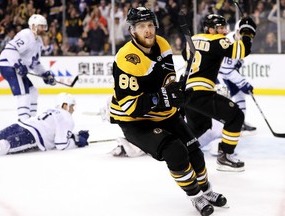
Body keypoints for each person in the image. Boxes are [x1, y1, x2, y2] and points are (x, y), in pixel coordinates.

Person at [109, 7, 227, 216]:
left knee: (195, 151)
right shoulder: (127, 59)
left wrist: (177, 97)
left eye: (150, 25)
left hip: (163, 112)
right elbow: (129, 106)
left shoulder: (162, 43)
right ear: (132, 31)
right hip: (135, 120)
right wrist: (163, 97)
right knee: (175, 151)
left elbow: (167, 81)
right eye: (141, 26)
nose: (148, 30)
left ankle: (206, 191)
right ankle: (195, 196)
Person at [183, 14, 257, 172]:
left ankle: (180, 151)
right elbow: (242, 50)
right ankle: (225, 157)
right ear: (210, 30)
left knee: (199, 127)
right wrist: (247, 31)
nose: (224, 31)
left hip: (187, 93)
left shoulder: (193, 39)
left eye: (225, 28)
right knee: (236, 116)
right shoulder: (216, 40)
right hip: (201, 92)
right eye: (220, 28)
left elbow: (185, 55)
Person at [0, 14, 56, 121]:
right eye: (41, 26)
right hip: (9, 65)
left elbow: (35, 63)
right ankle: (24, 122)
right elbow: (10, 50)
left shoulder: (38, 41)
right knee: (24, 94)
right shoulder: (26, 34)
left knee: (33, 92)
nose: (43, 28)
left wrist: (45, 74)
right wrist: (18, 64)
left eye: (44, 26)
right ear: (33, 26)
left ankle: (32, 121)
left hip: (15, 67)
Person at [0, 93, 89, 155]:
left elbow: (54, 129)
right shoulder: (67, 117)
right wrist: (77, 142)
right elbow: (61, 145)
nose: (73, 109)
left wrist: (74, 135)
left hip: (20, 125)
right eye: (72, 106)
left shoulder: (51, 110)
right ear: (65, 105)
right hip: (31, 136)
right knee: (2, 147)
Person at [217, 27, 256, 132]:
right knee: (225, 99)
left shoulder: (242, 43)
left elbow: (235, 64)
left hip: (229, 75)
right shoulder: (230, 39)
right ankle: (222, 125)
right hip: (221, 76)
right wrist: (243, 83)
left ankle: (241, 122)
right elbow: (226, 69)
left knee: (240, 95)